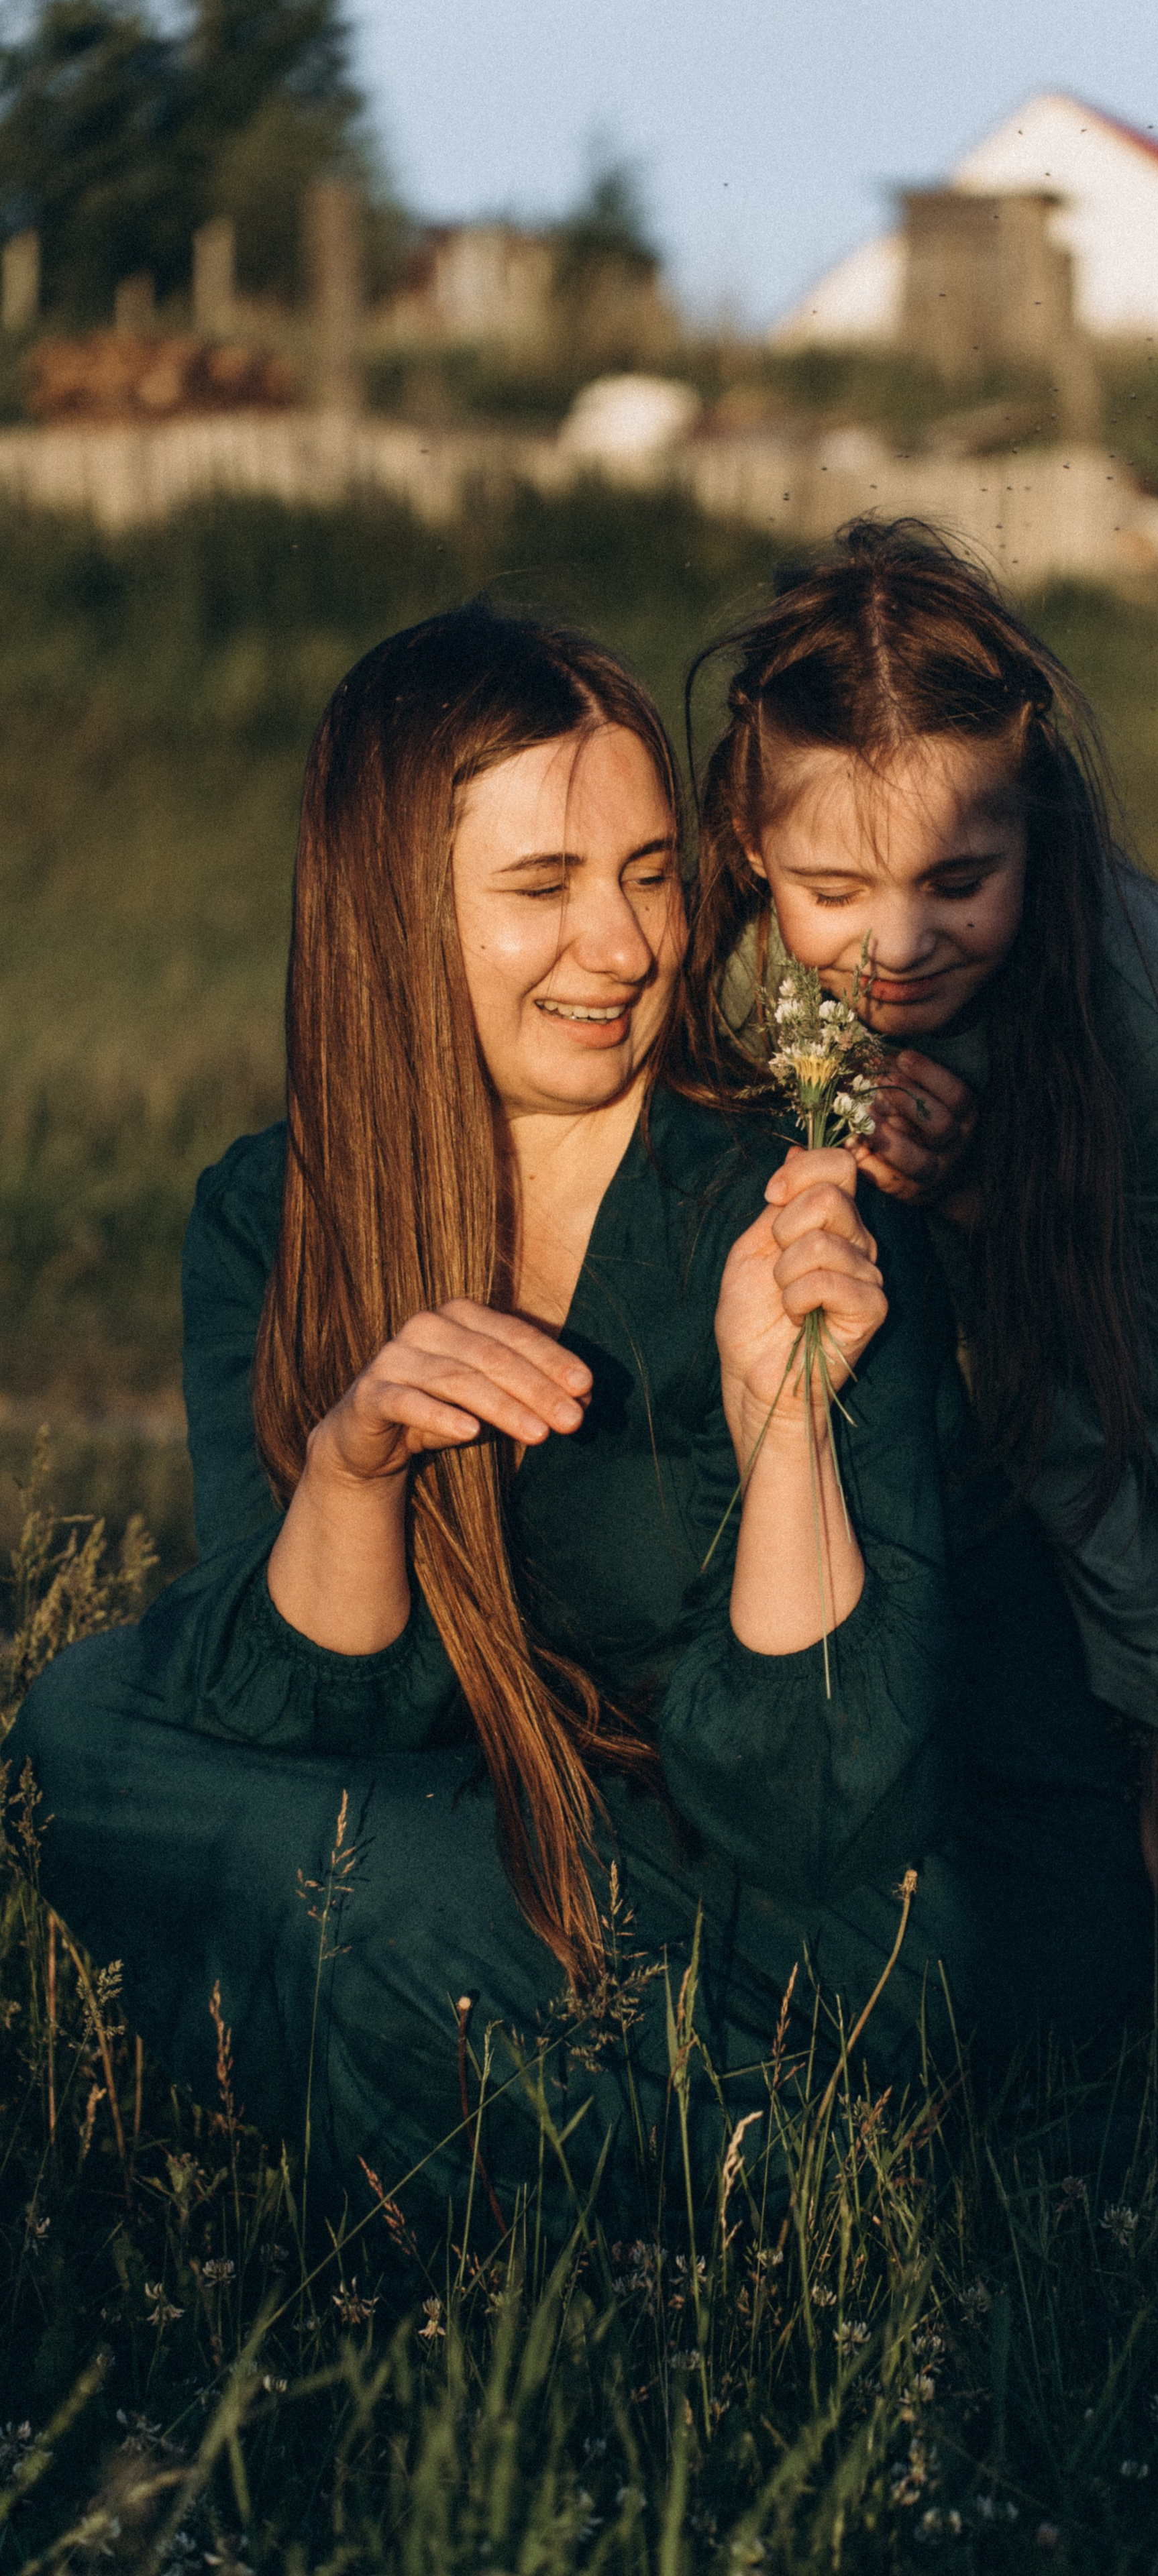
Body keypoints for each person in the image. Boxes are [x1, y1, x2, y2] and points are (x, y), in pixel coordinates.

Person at [7, 601, 981, 2229]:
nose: (625, 947)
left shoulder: (793, 1204)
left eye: (650, 874)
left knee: (352, 1887)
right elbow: (295, 1710)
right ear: (393, 915)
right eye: (541, 888)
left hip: (803, 1912)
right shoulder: (273, 1214)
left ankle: (714, 2173)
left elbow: (818, 1804)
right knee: (80, 1726)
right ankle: (519, 2082)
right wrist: (353, 1471)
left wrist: (783, 1421)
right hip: (491, 1828)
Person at [684, 519, 1158, 2399]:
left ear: (1040, 828)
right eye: (830, 885)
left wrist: (985, 1194)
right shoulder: (752, 980)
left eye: (958, 879)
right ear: (749, 840)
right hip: (965, 1421)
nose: (895, 942)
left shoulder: (1154, 1005)